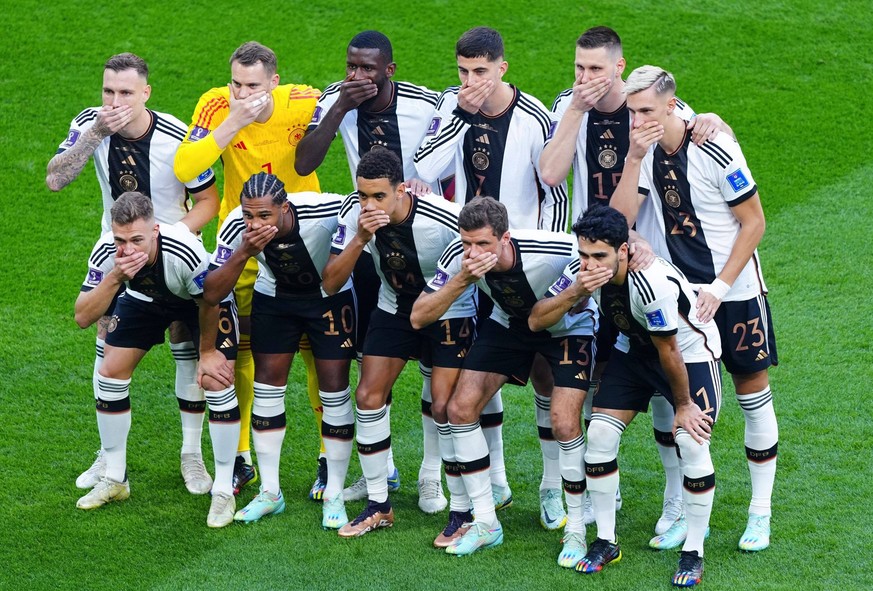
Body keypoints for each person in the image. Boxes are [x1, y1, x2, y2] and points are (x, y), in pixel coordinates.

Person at [540, 26, 732, 541]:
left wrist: (714, 120)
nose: (586, 79)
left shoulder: (650, 102)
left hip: (645, 259)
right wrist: (575, 111)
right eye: (579, 68)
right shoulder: (568, 105)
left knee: (669, 387)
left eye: (596, 70)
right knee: (609, 369)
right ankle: (611, 484)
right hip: (593, 259)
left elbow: (700, 130)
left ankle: (674, 503)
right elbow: (550, 173)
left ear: (620, 68)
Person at [611, 65, 779, 552]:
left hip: (736, 290)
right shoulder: (640, 149)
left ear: (671, 106)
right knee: (676, 399)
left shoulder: (713, 144)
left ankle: (759, 512)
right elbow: (618, 221)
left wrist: (722, 287)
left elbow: (754, 223)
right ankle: (683, 506)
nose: (637, 119)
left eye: (646, 110)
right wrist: (632, 159)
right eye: (631, 111)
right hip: (681, 294)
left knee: (752, 392)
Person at [415, 26, 571, 525]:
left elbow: (555, 193)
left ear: (502, 67)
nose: (471, 80)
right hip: (467, 261)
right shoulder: (451, 105)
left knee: (545, 376)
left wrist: (535, 268)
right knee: (479, 370)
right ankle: (497, 477)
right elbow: (425, 168)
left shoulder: (534, 118)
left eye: (480, 71)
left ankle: (551, 487)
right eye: (462, 71)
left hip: (520, 268)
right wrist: (460, 112)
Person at [47, 52, 220, 496]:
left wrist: (167, 240)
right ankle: (108, 456)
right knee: (106, 347)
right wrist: (96, 133)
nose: (116, 100)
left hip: (175, 253)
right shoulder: (91, 123)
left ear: (146, 93)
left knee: (186, 344)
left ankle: (191, 455)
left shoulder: (180, 136)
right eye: (109, 91)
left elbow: (208, 203)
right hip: (116, 247)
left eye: (126, 92)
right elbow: (55, 179)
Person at [295, 30, 444, 510]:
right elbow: (303, 163)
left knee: (435, 371)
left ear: (390, 70)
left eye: (367, 69)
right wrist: (340, 107)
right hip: (373, 244)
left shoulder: (427, 104)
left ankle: (432, 473)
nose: (357, 77)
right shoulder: (334, 101)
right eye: (351, 67)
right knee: (373, 365)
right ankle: (384, 471)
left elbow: (452, 160)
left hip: (428, 240)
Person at [535, 204, 719, 587]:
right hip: (633, 349)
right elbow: (537, 319)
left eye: (599, 256)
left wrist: (683, 406)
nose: (590, 264)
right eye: (584, 254)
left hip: (687, 353)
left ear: (624, 250)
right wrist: (575, 292)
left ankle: (694, 551)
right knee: (600, 436)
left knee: (692, 440)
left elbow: (668, 351)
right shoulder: (581, 272)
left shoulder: (648, 283)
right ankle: (605, 540)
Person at [174, 41, 327, 498]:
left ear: (274, 82)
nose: (242, 93)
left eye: (253, 86)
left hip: (301, 241)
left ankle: (326, 455)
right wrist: (232, 122)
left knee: (316, 353)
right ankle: (241, 458)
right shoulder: (216, 104)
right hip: (240, 239)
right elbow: (187, 166)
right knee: (238, 349)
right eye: (236, 83)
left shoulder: (303, 101)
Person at [410, 197, 597, 561]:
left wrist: (637, 247)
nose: (474, 251)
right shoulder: (458, 258)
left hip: (567, 328)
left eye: (483, 244)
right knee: (460, 408)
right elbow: (419, 317)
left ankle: (561, 507)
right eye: (467, 243)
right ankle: (485, 522)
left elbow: (604, 253)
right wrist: (463, 277)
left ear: (505, 238)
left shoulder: (554, 250)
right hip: (509, 325)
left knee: (562, 420)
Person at [321, 149, 475, 538]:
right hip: (393, 308)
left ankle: (458, 507)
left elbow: (477, 268)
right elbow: (331, 282)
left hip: (448, 310)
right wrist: (360, 236)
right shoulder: (353, 216)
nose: (369, 205)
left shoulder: (443, 219)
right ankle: (379, 505)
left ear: (402, 190)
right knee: (368, 395)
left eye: (379, 197)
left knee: (443, 405)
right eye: (362, 196)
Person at [73, 192, 239, 530]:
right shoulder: (108, 251)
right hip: (144, 299)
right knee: (109, 372)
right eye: (121, 240)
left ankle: (222, 488)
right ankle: (116, 478)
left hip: (200, 303)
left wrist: (207, 354)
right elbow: (82, 316)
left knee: (215, 380)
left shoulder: (183, 249)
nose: (128, 249)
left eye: (137, 239)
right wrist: (116, 277)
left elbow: (210, 300)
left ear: (155, 231)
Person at [203, 172, 355, 528]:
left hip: (328, 300)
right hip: (274, 300)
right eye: (248, 215)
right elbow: (211, 292)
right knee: (267, 389)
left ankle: (334, 492)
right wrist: (245, 251)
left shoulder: (324, 210)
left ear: (285, 208)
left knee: (334, 389)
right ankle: (271, 492)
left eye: (264, 216)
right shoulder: (234, 227)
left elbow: (358, 204)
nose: (254, 223)